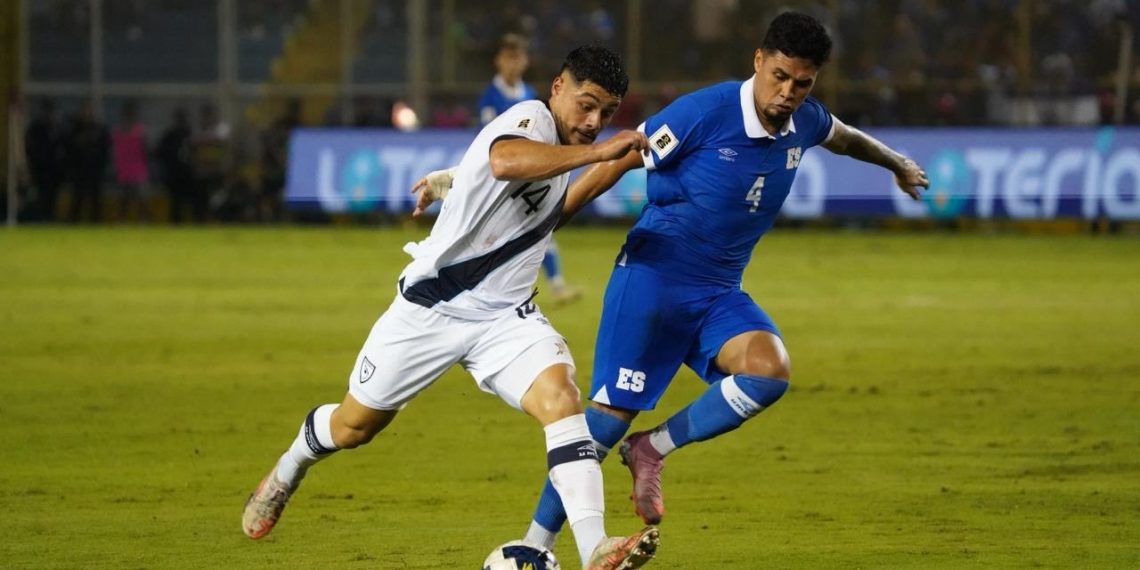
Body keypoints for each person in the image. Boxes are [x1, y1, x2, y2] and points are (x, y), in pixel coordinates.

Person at [432, 11, 929, 548]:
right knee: (604, 423)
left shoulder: (803, 119)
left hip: (718, 292)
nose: (788, 92)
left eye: (802, 83)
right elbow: (620, 157)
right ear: (758, 61)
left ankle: (653, 449)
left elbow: (844, 136)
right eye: (779, 76)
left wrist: (896, 161)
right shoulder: (706, 112)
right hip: (653, 280)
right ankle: (535, 546)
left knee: (768, 372)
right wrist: (544, 224)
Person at [241, 45, 659, 570]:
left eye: (607, 113)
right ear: (557, 88)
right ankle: (289, 466)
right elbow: (505, 159)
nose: (594, 122)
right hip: (431, 307)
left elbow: (557, 210)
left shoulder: (566, 148)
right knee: (354, 427)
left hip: (504, 317)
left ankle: (595, 547)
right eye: (586, 104)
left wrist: (620, 160)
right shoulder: (529, 118)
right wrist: (599, 153)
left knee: (562, 398)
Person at [478, 33, 581, 305]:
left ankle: (554, 287)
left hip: (533, 174)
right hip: (503, 176)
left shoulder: (531, 96)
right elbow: (489, 138)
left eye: (518, 56)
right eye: (509, 56)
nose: (513, 63)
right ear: (498, 60)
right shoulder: (490, 97)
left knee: (540, 229)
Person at [111, 100, 151, 223]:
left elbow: (146, 151)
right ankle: (122, 221)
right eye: (128, 113)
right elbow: (115, 153)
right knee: (123, 200)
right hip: (123, 171)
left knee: (141, 200)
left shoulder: (140, 132)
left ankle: (143, 221)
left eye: (131, 113)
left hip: (138, 170)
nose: (130, 116)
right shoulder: (117, 133)